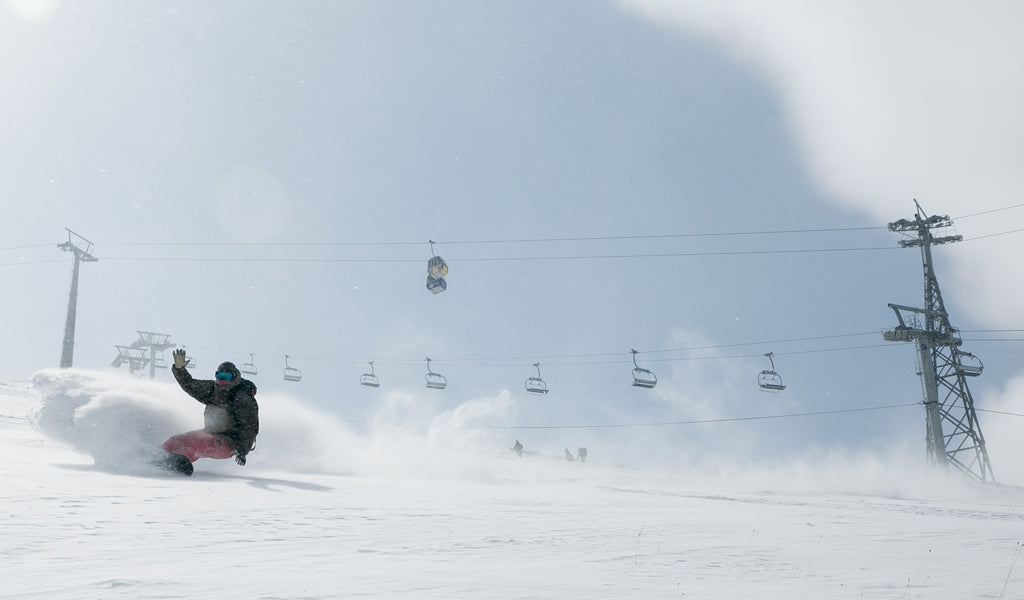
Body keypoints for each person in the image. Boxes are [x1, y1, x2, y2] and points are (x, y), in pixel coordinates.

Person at [157, 349, 259, 476]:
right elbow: (190, 384)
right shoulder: (212, 389)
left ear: (234, 378)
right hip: (210, 433)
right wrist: (179, 369)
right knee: (179, 439)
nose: (223, 380)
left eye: (227, 377)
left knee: (200, 443)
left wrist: (243, 450)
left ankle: (177, 464)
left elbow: (249, 427)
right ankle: (158, 456)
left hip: (231, 444)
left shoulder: (241, 398)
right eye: (220, 376)